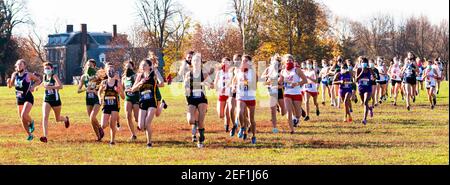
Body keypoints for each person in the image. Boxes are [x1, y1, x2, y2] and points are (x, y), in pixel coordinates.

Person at [128, 59, 164, 148]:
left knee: (147, 123)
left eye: (144, 65)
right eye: (141, 65)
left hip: (152, 101)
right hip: (143, 101)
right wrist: (140, 83)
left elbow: (162, 83)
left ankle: (149, 143)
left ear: (149, 66)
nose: (142, 66)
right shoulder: (139, 76)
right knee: (141, 126)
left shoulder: (154, 73)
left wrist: (156, 75)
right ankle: (163, 104)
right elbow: (133, 89)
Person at [6, 59, 42, 141]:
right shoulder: (14, 75)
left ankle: (31, 122)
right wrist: (8, 82)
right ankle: (30, 135)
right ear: (16, 66)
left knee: (24, 115)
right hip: (19, 98)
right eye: (18, 65)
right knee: (22, 118)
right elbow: (10, 86)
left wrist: (33, 87)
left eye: (21, 64)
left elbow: (38, 80)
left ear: (24, 66)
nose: (19, 66)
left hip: (28, 97)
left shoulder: (28, 75)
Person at [183, 53, 213, 147]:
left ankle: (201, 139)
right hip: (191, 98)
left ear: (200, 63)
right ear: (191, 62)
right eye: (194, 60)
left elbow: (212, 85)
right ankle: (195, 125)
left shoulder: (203, 73)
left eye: (198, 60)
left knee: (201, 120)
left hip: (201, 98)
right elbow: (185, 87)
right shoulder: (188, 74)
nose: (196, 62)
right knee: (190, 120)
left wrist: (205, 84)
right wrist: (186, 88)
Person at [39, 62, 70, 143]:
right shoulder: (44, 76)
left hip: (56, 100)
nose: (46, 70)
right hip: (47, 99)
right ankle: (45, 136)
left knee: (58, 118)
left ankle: (66, 119)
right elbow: (44, 83)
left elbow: (60, 86)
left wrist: (51, 87)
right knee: (45, 117)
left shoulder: (54, 76)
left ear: (52, 69)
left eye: (48, 68)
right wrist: (38, 86)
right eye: (45, 68)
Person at [232, 54, 258, 144]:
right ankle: (243, 127)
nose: (244, 62)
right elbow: (234, 80)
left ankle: (254, 135)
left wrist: (247, 82)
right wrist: (234, 87)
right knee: (239, 112)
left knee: (251, 119)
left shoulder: (253, 72)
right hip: (241, 96)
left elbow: (255, 86)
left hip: (250, 96)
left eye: (246, 61)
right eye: (243, 61)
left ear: (250, 62)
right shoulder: (238, 71)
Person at [97, 63, 125, 145]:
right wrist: (100, 98)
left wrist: (119, 91)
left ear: (114, 71)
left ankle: (112, 141)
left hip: (115, 105)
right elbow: (99, 92)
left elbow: (123, 97)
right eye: (109, 70)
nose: (111, 72)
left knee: (113, 124)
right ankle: (106, 124)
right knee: (103, 125)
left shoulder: (117, 83)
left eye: (112, 70)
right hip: (106, 105)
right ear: (106, 72)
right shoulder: (104, 82)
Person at [280, 54, 307, 134]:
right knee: (289, 112)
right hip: (287, 93)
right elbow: (280, 82)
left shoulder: (297, 70)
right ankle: (292, 130)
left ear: (293, 61)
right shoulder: (283, 71)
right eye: (287, 61)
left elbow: (305, 80)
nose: (289, 62)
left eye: (290, 60)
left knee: (298, 114)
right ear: (285, 62)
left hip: (296, 93)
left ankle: (297, 117)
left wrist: (297, 84)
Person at [77, 59, 104, 141]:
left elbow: (101, 88)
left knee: (93, 117)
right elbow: (78, 90)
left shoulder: (97, 76)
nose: (89, 66)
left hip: (96, 98)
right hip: (88, 99)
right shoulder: (84, 77)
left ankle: (100, 128)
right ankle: (99, 137)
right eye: (88, 65)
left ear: (94, 66)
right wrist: (86, 89)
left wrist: (94, 89)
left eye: (91, 65)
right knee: (91, 119)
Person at [261, 54, 286, 133]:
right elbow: (262, 77)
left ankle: (279, 106)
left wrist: (279, 83)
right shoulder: (268, 69)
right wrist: (268, 76)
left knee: (283, 112)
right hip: (271, 90)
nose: (274, 63)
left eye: (275, 62)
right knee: (273, 110)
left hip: (279, 90)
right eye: (272, 61)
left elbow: (282, 81)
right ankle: (274, 128)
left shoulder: (281, 70)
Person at [214, 57, 233, 132]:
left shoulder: (232, 72)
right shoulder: (219, 72)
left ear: (229, 63)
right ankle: (227, 120)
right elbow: (215, 81)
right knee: (221, 114)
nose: (225, 63)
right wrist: (216, 88)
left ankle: (227, 126)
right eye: (223, 62)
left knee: (227, 112)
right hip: (221, 94)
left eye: (227, 62)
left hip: (229, 94)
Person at [122, 60, 139, 141]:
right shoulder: (124, 78)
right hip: (128, 98)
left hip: (136, 97)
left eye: (130, 66)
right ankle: (133, 135)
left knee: (136, 118)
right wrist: (124, 91)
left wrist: (133, 89)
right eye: (127, 66)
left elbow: (139, 86)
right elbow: (122, 89)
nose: (128, 67)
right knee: (128, 116)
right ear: (125, 67)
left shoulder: (135, 76)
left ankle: (143, 125)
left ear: (132, 67)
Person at [356, 57, 375, 125]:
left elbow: (375, 77)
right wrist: (362, 72)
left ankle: (364, 119)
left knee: (366, 101)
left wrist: (373, 78)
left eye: (365, 62)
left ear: (367, 63)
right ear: (360, 63)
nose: (364, 64)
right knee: (365, 103)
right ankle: (370, 108)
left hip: (368, 87)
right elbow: (356, 79)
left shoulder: (369, 69)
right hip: (361, 88)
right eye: (362, 62)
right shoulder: (358, 69)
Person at [229, 54, 241, 137]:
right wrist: (232, 86)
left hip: (241, 91)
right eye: (235, 59)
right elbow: (230, 81)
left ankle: (243, 126)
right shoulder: (231, 70)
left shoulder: (244, 69)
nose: (236, 61)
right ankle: (234, 125)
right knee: (231, 109)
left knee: (240, 111)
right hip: (232, 91)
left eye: (238, 59)